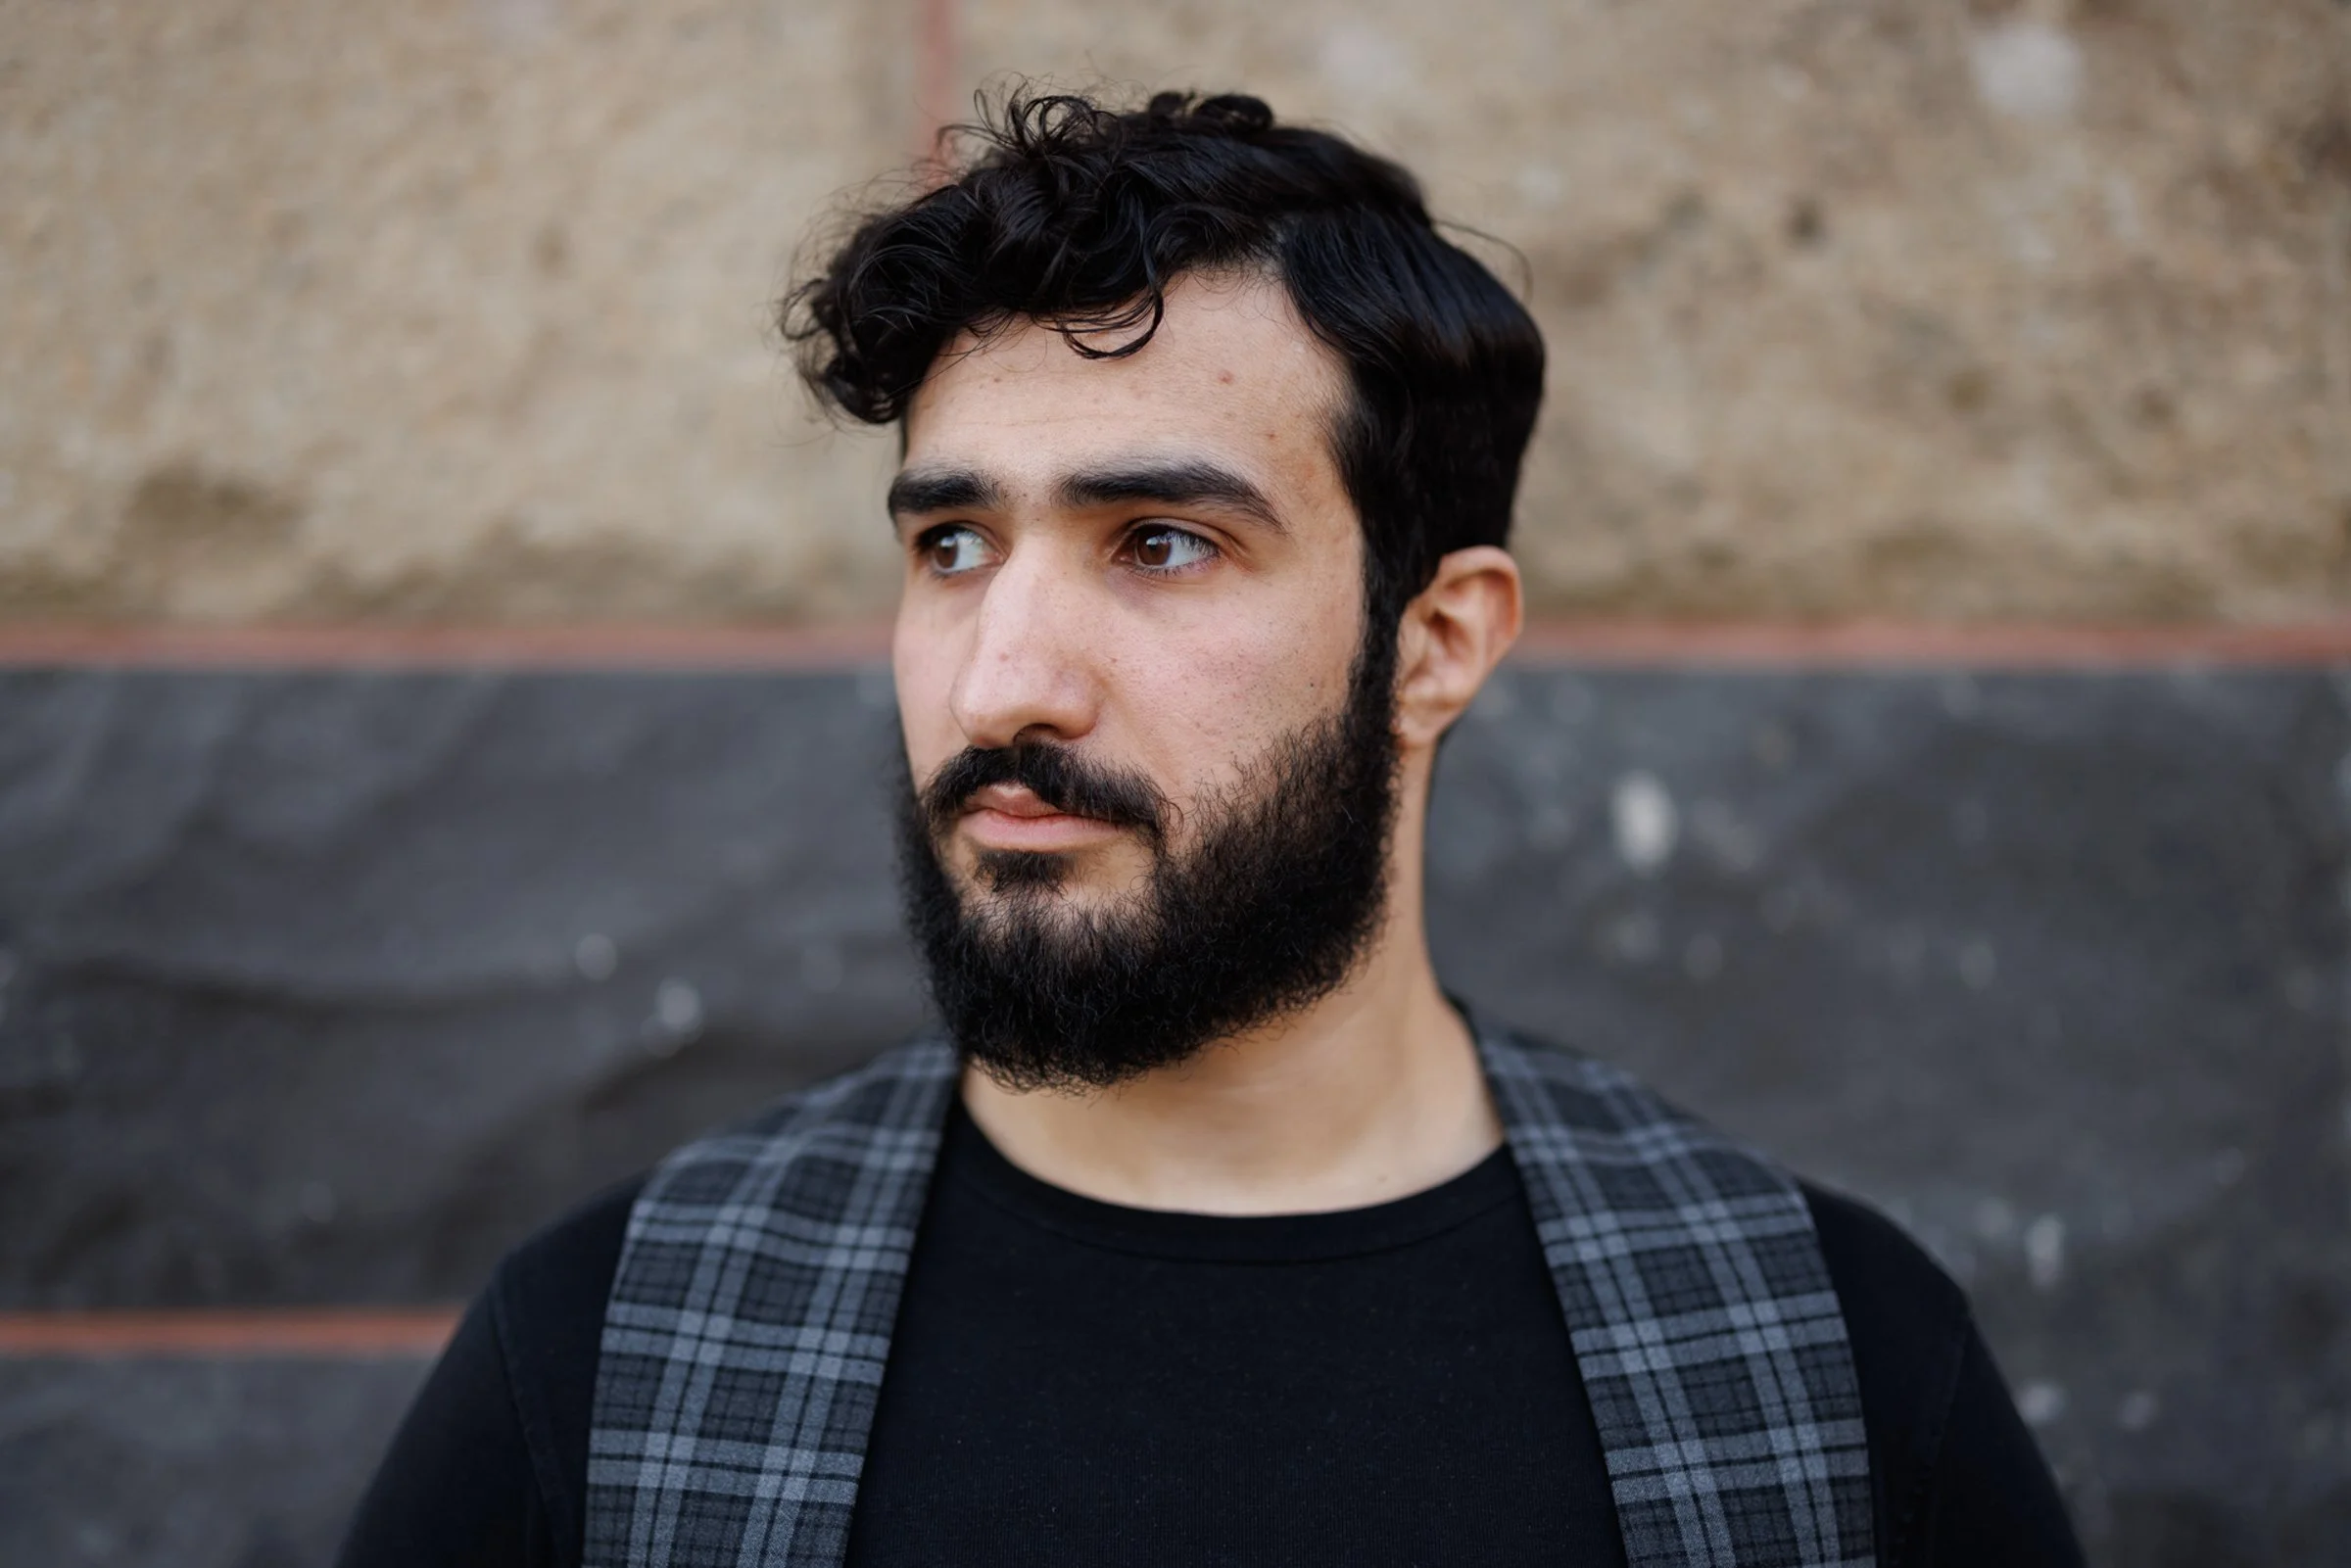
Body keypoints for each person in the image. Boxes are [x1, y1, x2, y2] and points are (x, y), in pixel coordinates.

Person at [339, 90, 2083, 1568]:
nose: (1003, 682)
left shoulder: (1818, 1381)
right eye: (951, 546)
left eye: (1160, 541)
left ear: (1439, 640)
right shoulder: (618, 1370)